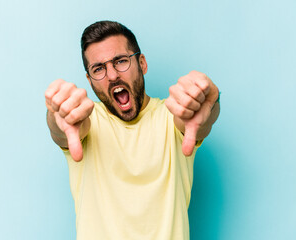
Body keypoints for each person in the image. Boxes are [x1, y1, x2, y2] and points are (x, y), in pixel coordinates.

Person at [45, 20, 220, 240]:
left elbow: (200, 120)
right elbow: (61, 129)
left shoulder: (172, 117)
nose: (112, 75)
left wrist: (210, 101)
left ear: (142, 63)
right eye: (98, 69)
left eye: (120, 61)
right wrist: (57, 116)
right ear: (89, 81)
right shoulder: (85, 122)